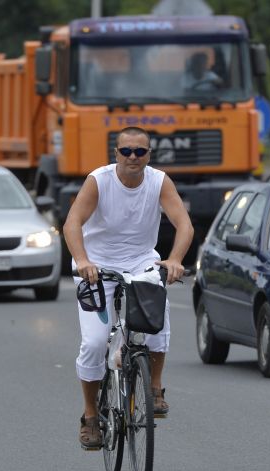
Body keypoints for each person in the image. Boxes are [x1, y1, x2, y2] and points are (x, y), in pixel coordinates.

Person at [64, 126, 194, 449]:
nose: (133, 157)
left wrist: (175, 259)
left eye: (140, 151)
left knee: (157, 321)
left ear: (149, 155)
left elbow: (184, 224)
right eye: (126, 151)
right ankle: (91, 415)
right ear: (116, 154)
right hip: (97, 268)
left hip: (141, 264)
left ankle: (155, 388)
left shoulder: (159, 181)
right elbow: (72, 222)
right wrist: (82, 260)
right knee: (95, 343)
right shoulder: (100, 180)